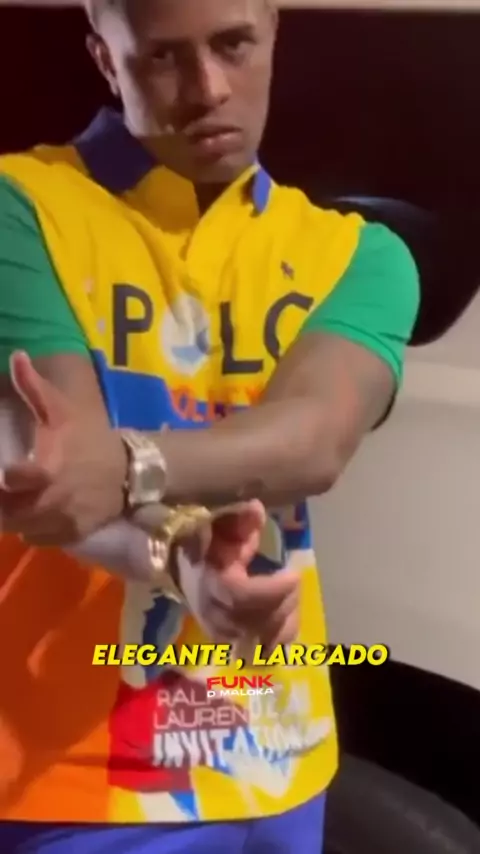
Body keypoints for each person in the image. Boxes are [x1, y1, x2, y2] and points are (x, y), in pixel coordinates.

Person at [0, 0, 420, 851]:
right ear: (104, 57)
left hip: (278, 753)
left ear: (274, 30)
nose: (207, 89)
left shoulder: (359, 254)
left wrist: (131, 463)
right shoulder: (22, 207)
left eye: (233, 44)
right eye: (162, 57)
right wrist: (176, 554)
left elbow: (312, 439)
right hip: (72, 772)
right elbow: (58, 477)